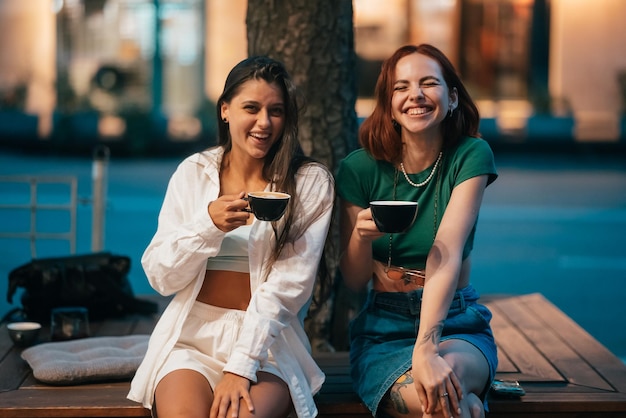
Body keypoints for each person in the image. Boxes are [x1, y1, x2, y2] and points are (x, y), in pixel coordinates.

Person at [127, 56, 335, 418]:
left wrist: (240, 366)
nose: (264, 122)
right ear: (225, 110)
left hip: (268, 347)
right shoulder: (194, 173)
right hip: (191, 338)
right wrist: (208, 225)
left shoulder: (309, 182)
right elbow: (161, 277)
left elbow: (288, 289)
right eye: (250, 108)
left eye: (276, 111)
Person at [336, 44, 498, 418]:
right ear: (388, 103)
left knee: (443, 394)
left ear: (452, 98)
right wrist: (360, 238)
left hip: (456, 323)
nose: (416, 96)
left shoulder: (471, 155)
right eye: (401, 87)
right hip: (383, 326)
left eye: (429, 83)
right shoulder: (359, 169)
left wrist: (427, 346)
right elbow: (354, 281)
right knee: (456, 406)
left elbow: (447, 249)